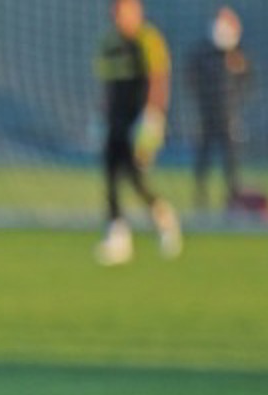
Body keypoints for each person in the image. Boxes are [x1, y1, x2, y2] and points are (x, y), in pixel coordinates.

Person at [93, 0, 182, 264]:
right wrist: (100, 115)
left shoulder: (148, 39)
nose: (119, 17)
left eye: (125, 11)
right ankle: (117, 236)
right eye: (116, 11)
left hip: (141, 119)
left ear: (137, 12)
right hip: (116, 119)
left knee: (136, 177)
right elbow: (108, 85)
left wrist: (154, 116)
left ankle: (164, 218)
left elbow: (158, 79)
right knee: (110, 173)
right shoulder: (109, 43)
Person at [184, 5, 250, 212]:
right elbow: (191, 76)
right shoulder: (202, 51)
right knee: (203, 155)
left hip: (229, 114)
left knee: (231, 158)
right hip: (206, 113)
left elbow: (248, 81)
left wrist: (237, 100)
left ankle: (232, 197)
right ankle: (200, 197)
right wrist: (200, 97)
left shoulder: (238, 53)